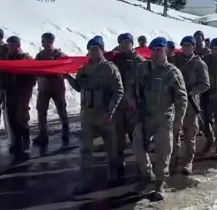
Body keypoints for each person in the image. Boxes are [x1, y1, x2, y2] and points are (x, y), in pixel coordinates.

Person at [65, 36, 124, 193]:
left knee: (111, 148)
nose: (92, 52)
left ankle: (113, 175)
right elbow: (78, 87)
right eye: (90, 49)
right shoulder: (84, 69)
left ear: (102, 50)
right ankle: (86, 180)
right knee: (85, 150)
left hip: (105, 115)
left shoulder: (110, 69)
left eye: (95, 49)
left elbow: (118, 91)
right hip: (88, 116)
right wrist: (68, 78)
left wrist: (110, 111)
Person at [133, 37, 187, 201]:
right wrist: (132, 102)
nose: (156, 53)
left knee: (163, 153)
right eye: (153, 50)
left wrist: (179, 120)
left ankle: (159, 183)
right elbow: (131, 86)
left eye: (159, 50)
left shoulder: (173, 72)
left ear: (166, 51)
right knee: (137, 148)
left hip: (164, 118)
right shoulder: (142, 68)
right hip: (144, 116)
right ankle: (146, 173)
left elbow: (181, 98)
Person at [169, 35, 209, 174]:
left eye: (189, 45)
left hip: (191, 104)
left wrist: (191, 91)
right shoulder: (174, 60)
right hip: (175, 102)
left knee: (190, 135)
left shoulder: (199, 63)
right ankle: (173, 159)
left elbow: (205, 84)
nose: (186, 48)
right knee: (173, 133)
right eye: (184, 45)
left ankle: (188, 161)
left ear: (193, 47)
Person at [112, 33, 145, 176]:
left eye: (127, 42)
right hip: (118, 106)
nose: (125, 44)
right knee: (118, 138)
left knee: (136, 138)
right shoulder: (115, 59)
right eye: (122, 42)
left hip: (133, 106)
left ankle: (142, 165)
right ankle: (119, 164)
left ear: (132, 43)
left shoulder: (140, 61)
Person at [0, 36, 36, 160]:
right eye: (8, 44)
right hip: (10, 92)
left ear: (18, 45)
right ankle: (16, 143)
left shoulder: (25, 58)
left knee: (21, 117)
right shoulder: (7, 58)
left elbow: (32, 76)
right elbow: (2, 73)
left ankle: (26, 142)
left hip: (23, 92)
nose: (9, 47)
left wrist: (23, 85)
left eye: (12, 44)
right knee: (11, 118)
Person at [33, 32, 70, 147]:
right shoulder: (39, 55)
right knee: (41, 110)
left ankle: (65, 130)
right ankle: (43, 134)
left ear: (50, 41)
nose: (42, 42)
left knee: (61, 108)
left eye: (43, 40)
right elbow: (34, 68)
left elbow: (65, 65)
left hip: (57, 87)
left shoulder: (58, 54)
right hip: (44, 87)